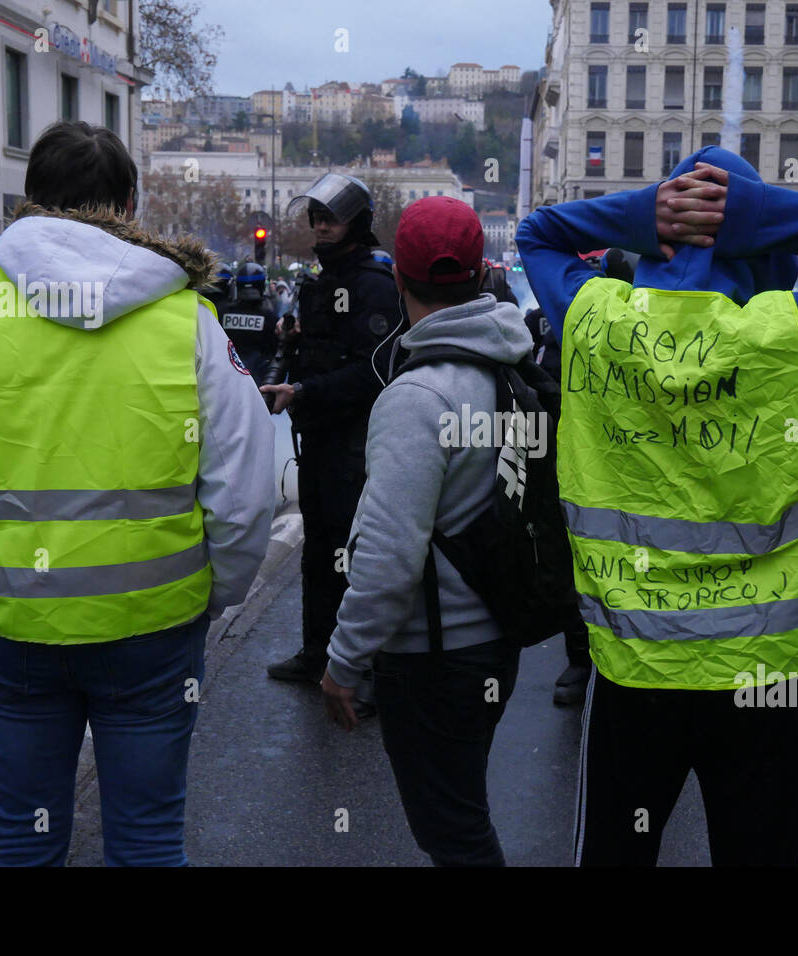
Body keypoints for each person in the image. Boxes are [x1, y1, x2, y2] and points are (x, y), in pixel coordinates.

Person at [517, 147, 798, 865]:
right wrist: (757, 216)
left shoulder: (593, 317)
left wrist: (639, 212)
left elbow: (538, 233)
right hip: (761, 676)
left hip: (636, 669)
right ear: (766, 245)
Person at [0, 120, 276, 865]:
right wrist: (214, 594)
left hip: (12, 633)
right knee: (147, 841)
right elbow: (246, 490)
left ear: (32, 202)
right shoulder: (185, 322)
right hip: (153, 630)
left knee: (25, 846)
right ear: (127, 205)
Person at [317, 196, 532, 865]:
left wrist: (342, 662)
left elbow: (386, 556)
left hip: (435, 656)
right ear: (480, 275)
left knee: (454, 833)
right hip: (495, 636)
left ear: (401, 278)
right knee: (462, 814)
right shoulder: (508, 368)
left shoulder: (417, 397)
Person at [264, 173, 405, 704]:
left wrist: (303, 388)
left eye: (331, 217)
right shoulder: (320, 282)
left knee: (357, 554)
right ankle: (315, 653)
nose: (321, 226)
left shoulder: (372, 283)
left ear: (358, 223)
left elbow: (373, 371)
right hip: (319, 437)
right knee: (319, 549)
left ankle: (364, 672)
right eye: (316, 217)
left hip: (358, 441)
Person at [217, 262, 283, 386]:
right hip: (258, 383)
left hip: (226, 380)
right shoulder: (269, 317)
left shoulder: (222, 313)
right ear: (262, 285)